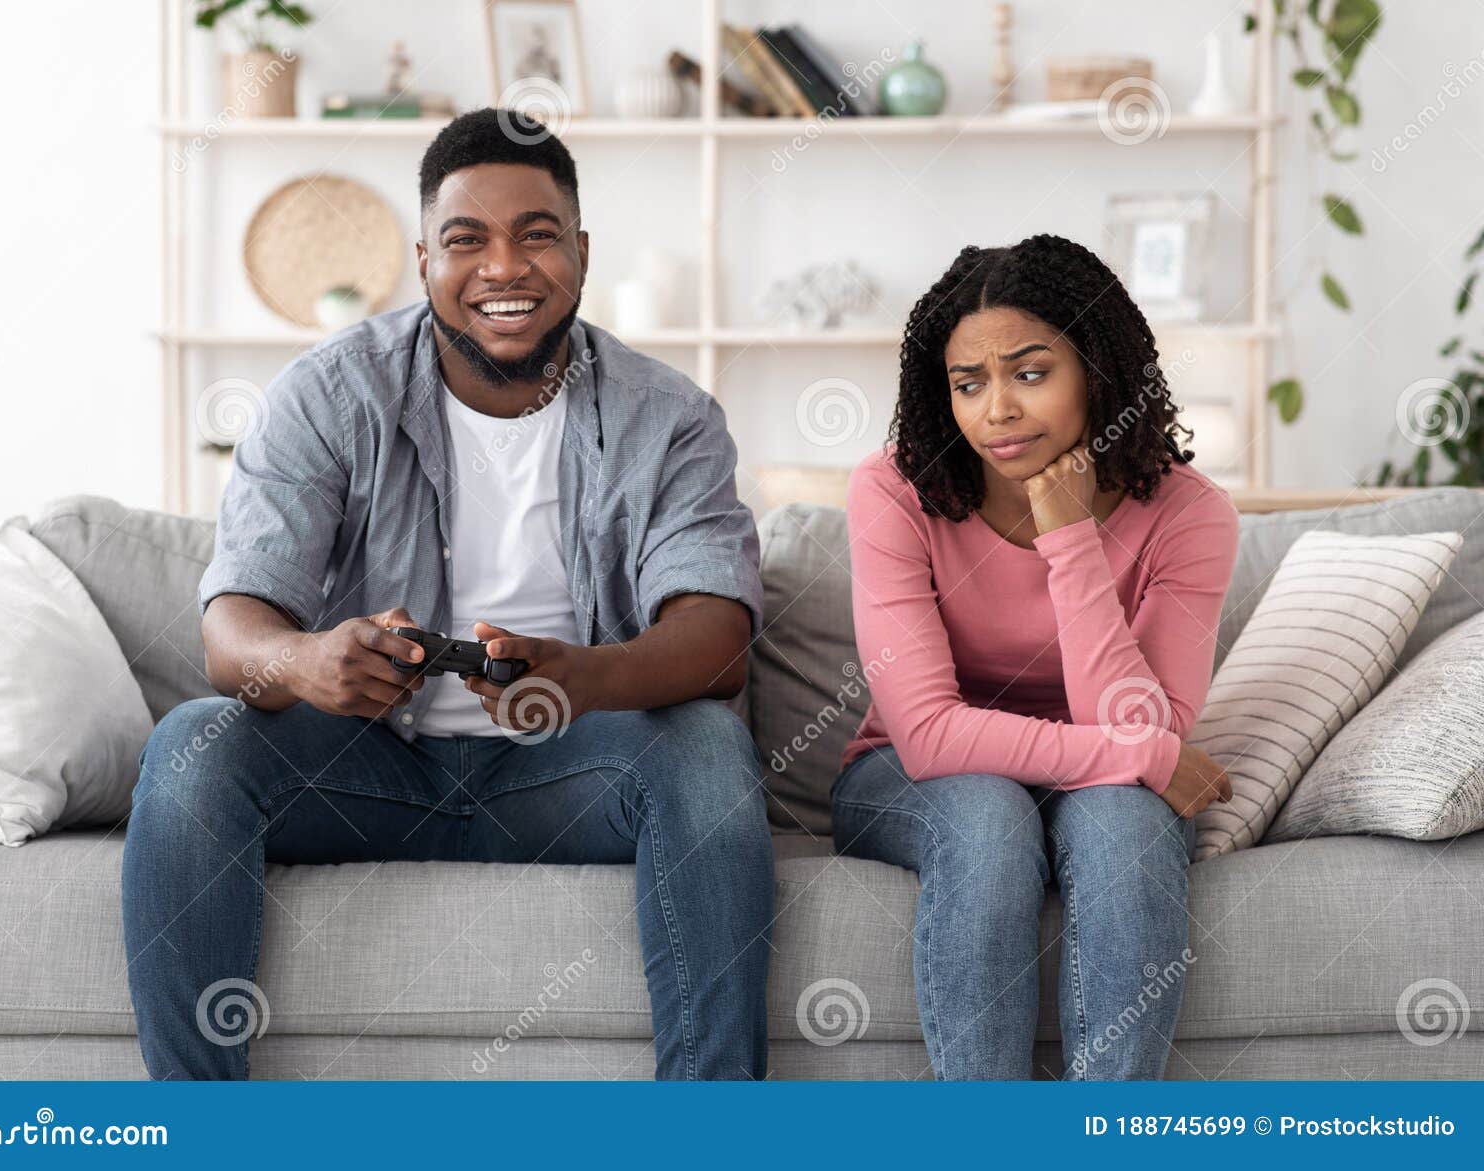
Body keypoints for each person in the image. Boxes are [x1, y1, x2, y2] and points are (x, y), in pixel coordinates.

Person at [121, 108, 773, 1081]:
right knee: (191, 747)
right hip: (366, 769)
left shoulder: (666, 415)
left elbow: (717, 639)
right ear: (424, 258)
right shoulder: (329, 393)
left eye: (537, 235)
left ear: (582, 254)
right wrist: (309, 661)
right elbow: (233, 632)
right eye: (466, 241)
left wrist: (583, 677)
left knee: (710, 750)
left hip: (570, 770)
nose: (503, 267)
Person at [833, 234, 1238, 1080]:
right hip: (906, 777)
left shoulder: (1189, 514)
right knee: (986, 816)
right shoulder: (893, 489)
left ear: (1098, 368)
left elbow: (1135, 719)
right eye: (968, 384)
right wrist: (1142, 753)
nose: (997, 412)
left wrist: (1070, 538)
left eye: (1029, 373)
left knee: (1129, 825)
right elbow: (932, 739)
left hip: (1101, 775)